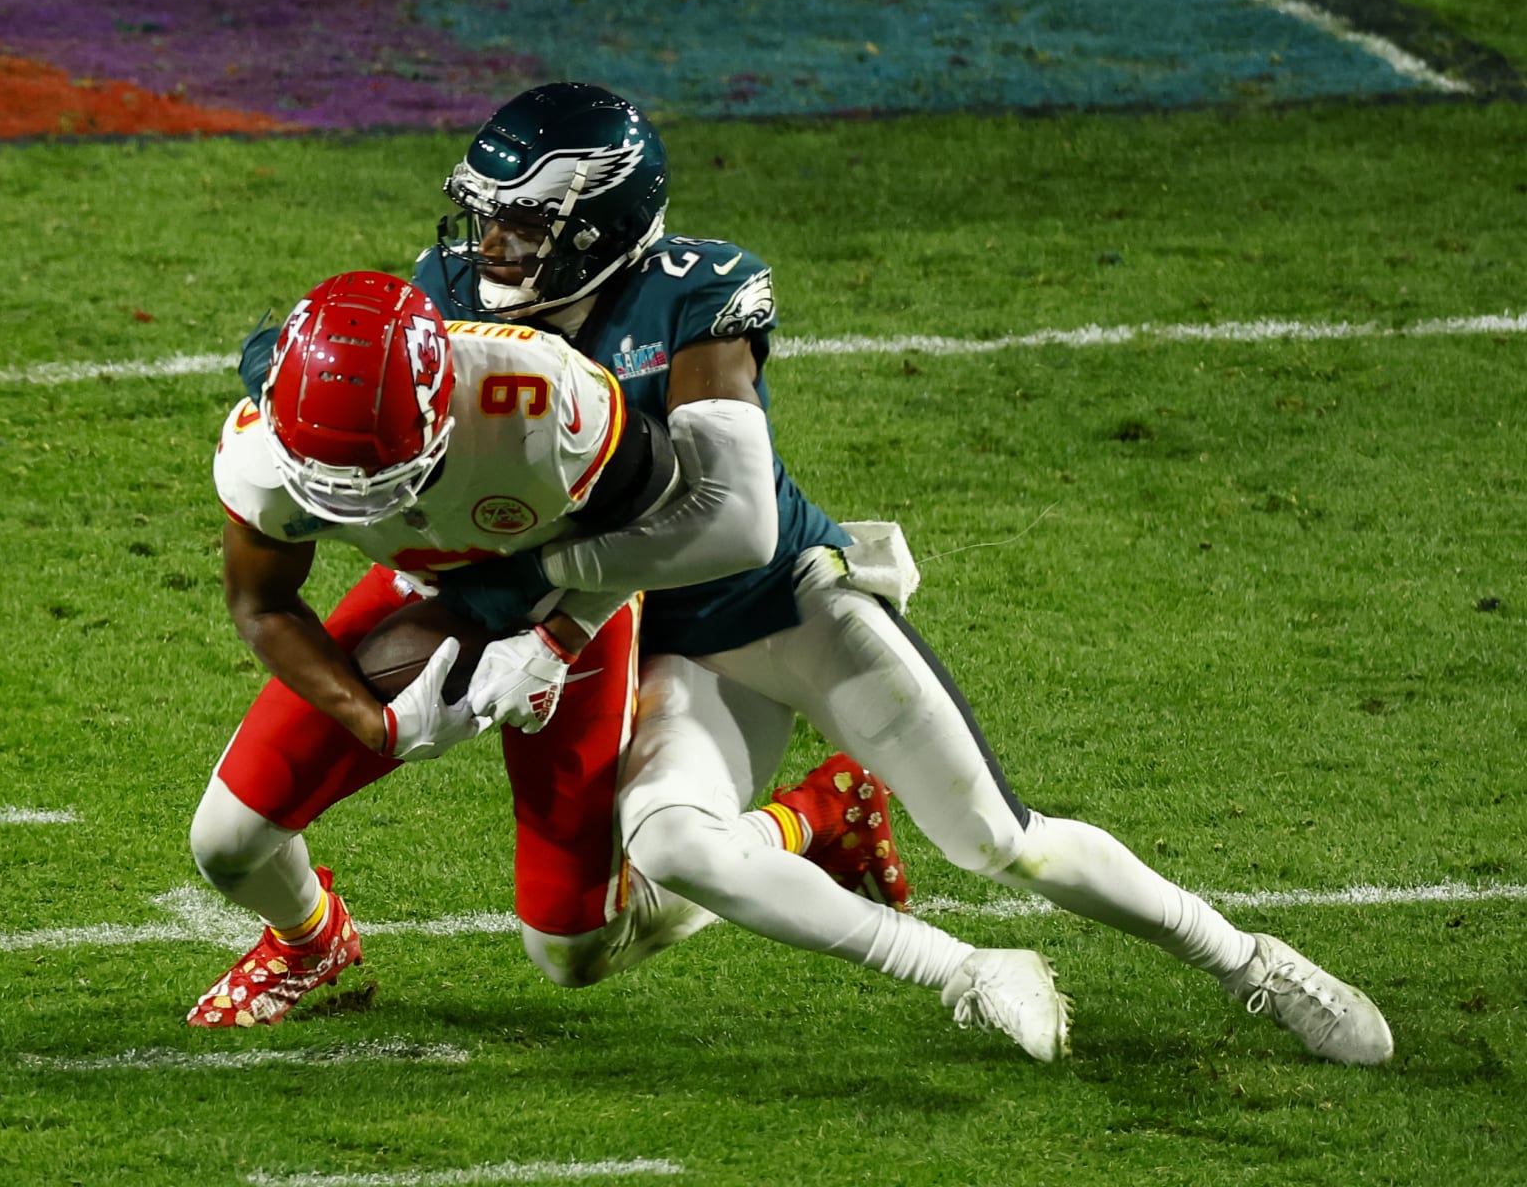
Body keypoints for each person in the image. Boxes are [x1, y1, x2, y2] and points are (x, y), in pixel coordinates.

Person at [414, 81, 1393, 1065]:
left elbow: (740, 524)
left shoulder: (690, 292)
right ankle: (965, 969)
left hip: (785, 604)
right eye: (490, 218)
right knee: (670, 845)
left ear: (602, 224)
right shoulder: (449, 299)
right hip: (673, 647)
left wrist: (553, 608)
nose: (494, 247)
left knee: (999, 841)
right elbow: (298, 368)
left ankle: (1249, 963)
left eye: (527, 224)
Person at [189, 270, 1069, 1060]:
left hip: (573, 601)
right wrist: (374, 717)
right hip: (432, 586)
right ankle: (312, 945)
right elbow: (263, 604)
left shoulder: (536, 403)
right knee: (226, 843)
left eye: (381, 475)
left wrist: (552, 639)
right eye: (328, 480)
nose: (355, 502)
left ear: (439, 406)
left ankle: (811, 816)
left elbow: (663, 534)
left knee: (574, 949)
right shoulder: (264, 451)